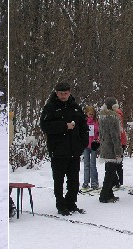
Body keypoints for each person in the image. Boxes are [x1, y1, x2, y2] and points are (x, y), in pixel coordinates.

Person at [40, 82, 88, 216]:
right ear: (56, 93)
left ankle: (71, 203)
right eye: (61, 93)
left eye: (65, 93)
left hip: (74, 150)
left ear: (70, 92)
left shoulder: (76, 107)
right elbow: (45, 126)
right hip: (58, 151)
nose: (63, 95)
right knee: (59, 180)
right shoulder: (50, 107)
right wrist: (63, 126)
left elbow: (84, 127)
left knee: (74, 181)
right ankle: (61, 205)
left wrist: (82, 143)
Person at [97, 98, 122, 203]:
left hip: (105, 147)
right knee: (110, 173)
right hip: (111, 148)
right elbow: (115, 136)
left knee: (109, 171)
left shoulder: (101, 116)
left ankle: (109, 194)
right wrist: (118, 152)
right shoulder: (113, 117)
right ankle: (104, 195)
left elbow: (101, 134)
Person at [82, 105, 100, 190]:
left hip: (93, 145)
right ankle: (86, 182)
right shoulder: (84, 122)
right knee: (86, 164)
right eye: (89, 114)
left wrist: (97, 140)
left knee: (93, 164)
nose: (91, 116)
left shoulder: (96, 122)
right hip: (86, 145)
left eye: (92, 114)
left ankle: (94, 182)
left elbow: (99, 133)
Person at [113, 103, 127, 188]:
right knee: (118, 163)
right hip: (122, 142)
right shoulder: (119, 115)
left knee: (114, 163)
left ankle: (116, 182)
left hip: (118, 142)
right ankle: (119, 181)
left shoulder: (116, 116)